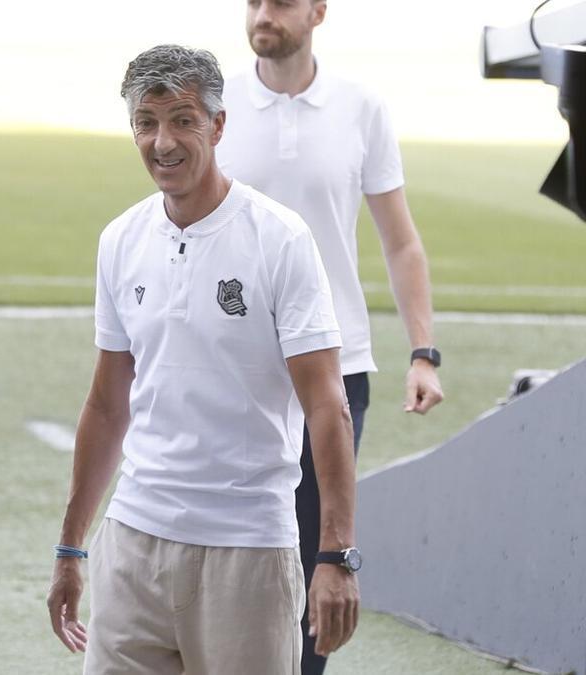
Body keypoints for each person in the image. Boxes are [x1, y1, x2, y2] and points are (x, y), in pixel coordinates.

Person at [46, 44, 360, 674]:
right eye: (146, 122)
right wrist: (71, 547)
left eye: (182, 121)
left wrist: (336, 555)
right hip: (134, 543)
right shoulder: (120, 239)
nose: (162, 142)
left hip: (247, 552)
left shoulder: (281, 239)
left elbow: (328, 406)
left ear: (218, 125)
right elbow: (107, 405)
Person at [215, 2, 444, 672]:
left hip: (334, 368)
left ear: (318, 11)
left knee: (321, 559)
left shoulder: (361, 108)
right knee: (231, 560)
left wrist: (423, 352)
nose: (263, 13)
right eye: (254, 1)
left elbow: (400, 242)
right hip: (234, 367)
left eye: (281, 1)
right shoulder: (215, 105)